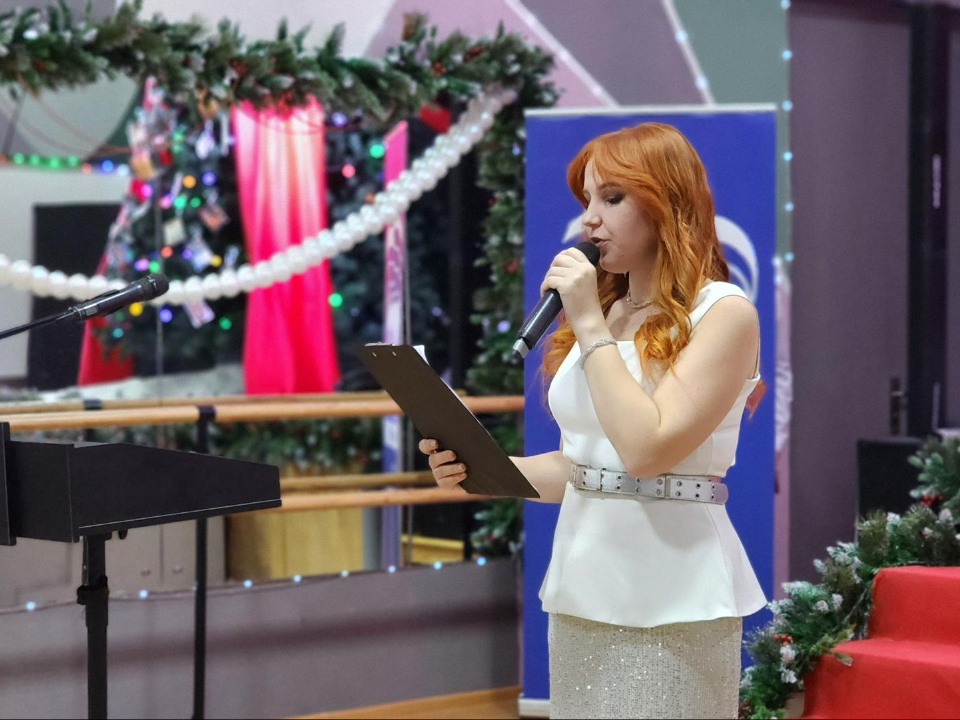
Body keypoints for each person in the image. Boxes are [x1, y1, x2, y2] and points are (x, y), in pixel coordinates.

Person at [418, 122, 767, 719]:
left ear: (666, 203)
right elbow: (584, 465)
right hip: (583, 585)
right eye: (586, 200)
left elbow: (647, 450)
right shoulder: (605, 315)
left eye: (612, 198)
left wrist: (587, 323)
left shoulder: (723, 314)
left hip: (674, 592)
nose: (589, 220)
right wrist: (483, 470)